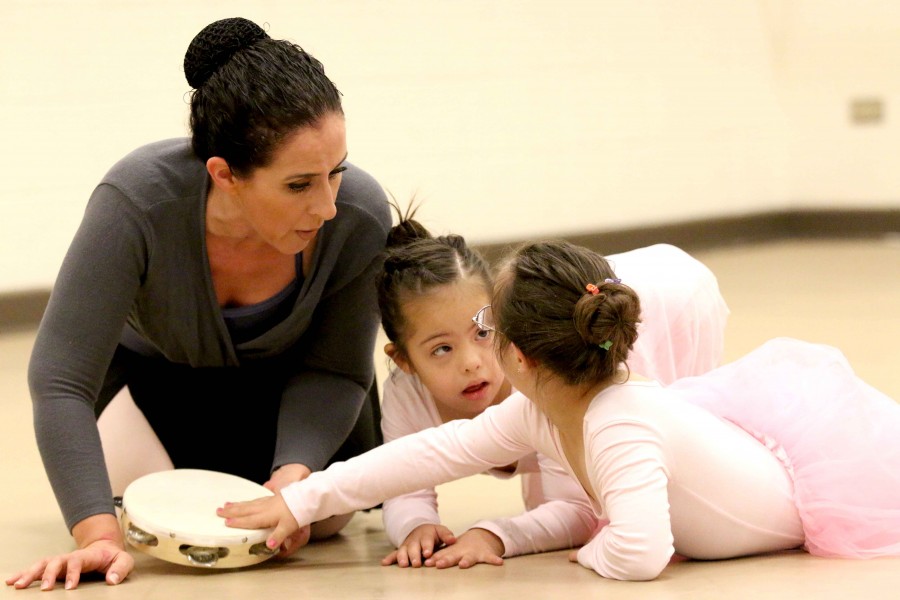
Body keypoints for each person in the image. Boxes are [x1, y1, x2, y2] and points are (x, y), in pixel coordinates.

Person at [217, 239, 900, 582]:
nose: (477, 354)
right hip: (744, 457)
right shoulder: (537, 412)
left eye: (489, 329)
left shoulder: (618, 420)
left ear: (522, 359)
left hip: (791, 498)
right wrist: (304, 499)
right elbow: (425, 455)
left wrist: (568, 548)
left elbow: (641, 550)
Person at [7, 17, 390, 592]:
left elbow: (336, 368)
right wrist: (96, 536)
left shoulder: (358, 214)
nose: (328, 206)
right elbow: (61, 378)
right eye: (298, 184)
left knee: (328, 521)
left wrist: (294, 477)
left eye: (335, 173)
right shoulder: (137, 201)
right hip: (160, 390)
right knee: (141, 523)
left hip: (294, 393)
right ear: (225, 174)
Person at [375, 208, 731, 569]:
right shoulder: (406, 395)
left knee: (644, 462)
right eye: (442, 349)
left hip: (668, 299)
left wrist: (492, 535)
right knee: (552, 501)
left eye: (483, 332)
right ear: (403, 360)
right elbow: (398, 485)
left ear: (502, 319)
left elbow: (577, 513)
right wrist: (415, 527)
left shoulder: (537, 369)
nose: (471, 362)